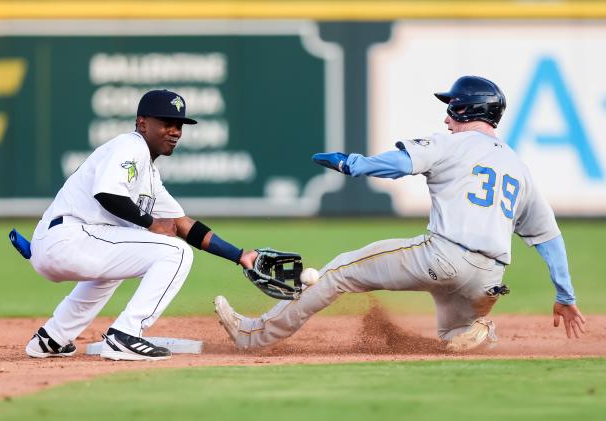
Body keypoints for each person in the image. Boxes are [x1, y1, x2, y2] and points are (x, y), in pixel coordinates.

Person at [214, 76, 586, 352]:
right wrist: (565, 295)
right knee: (454, 336)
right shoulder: (518, 167)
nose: (446, 118)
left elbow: (402, 163)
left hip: (443, 256)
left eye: (451, 108)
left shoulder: (452, 144)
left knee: (340, 271)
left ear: (465, 110)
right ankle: (480, 329)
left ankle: (254, 335)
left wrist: (352, 164)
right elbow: (548, 237)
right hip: (489, 278)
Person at [25, 89, 257, 361]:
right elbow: (107, 193)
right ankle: (125, 335)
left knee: (117, 268)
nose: (175, 131)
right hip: (71, 236)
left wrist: (240, 256)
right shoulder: (130, 145)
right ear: (143, 123)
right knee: (176, 252)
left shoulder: (149, 174)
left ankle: (52, 338)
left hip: (63, 242)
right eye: (166, 123)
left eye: (179, 125)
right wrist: (150, 223)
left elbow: (183, 225)